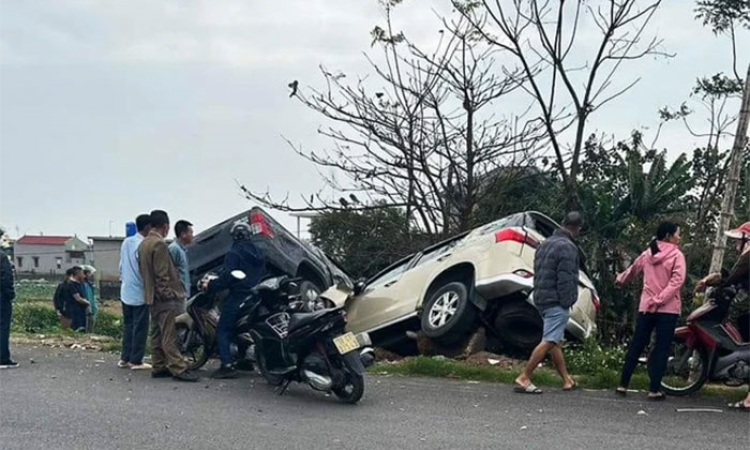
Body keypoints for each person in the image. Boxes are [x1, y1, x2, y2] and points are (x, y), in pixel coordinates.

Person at [615, 221, 686, 401]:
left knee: (637, 344)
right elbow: (677, 281)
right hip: (668, 309)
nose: (679, 237)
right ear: (669, 236)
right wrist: (661, 299)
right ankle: (654, 389)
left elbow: (633, 269)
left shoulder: (649, 252)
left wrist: (621, 280)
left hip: (646, 307)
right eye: (678, 234)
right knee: (662, 348)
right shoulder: (677, 255)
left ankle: (623, 384)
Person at [514, 212, 583, 394]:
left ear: (563, 223)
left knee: (555, 340)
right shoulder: (568, 247)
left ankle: (567, 380)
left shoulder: (544, 244)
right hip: (557, 300)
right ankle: (524, 377)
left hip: (542, 297)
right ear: (578, 228)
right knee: (550, 340)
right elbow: (565, 278)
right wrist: (568, 300)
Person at [696, 222, 750, 411]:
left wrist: (713, 280)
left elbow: (731, 278)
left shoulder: (748, 255)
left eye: (739, 240)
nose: (736, 245)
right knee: (743, 322)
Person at [139, 210, 198, 382]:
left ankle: (158, 366)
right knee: (169, 334)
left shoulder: (144, 244)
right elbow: (161, 274)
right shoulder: (160, 245)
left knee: (157, 333)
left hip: (151, 296)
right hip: (165, 298)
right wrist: (168, 294)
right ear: (165, 227)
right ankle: (178, 368)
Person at [202, 221, 264, 379]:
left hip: (239, 295)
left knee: (223, 329)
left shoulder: (234, 252)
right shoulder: (258, 251)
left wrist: (212, 285)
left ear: (234, 235)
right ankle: (245, 360)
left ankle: (227, 365)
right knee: (240, 327)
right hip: (256, 295)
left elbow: (229, 276)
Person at [119, 214, 152, 370]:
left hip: (126, 290)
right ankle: (136, 360)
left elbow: (121, 266)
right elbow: (145, 269)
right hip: (139, 291)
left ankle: (125, 358)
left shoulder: (127, 242)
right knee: (140, 327)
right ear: (147, 228)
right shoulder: (144, 245)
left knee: (129, 326)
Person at [0, 227, 18, 369]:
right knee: (2, 326)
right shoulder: (2, 257)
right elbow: (6, 278)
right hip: (1, 297)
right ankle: (2, 357)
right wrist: (10, 293)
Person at [168, 220, 194, 298]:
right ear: (183, 234)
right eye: (191, 233)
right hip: (177, 295)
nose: (193, 236)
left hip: (182, 294)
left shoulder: (182, 250)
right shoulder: (174, 249)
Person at [60, 266, 90, 332]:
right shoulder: (71, 285)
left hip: (80, 311)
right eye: (82, 273)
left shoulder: (79, 284)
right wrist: (88, 303)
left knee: (82, 328)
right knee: (76, 328)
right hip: (74, 311)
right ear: (77, 274)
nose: (84, 275)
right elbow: (78, 298)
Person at [82, 266, 98, 333]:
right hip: (88, 308)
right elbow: (87, 297)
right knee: (88, 325)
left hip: (92, 306)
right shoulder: (84, 285)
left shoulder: (89, 284)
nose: (91, 275)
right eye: (89, 273)